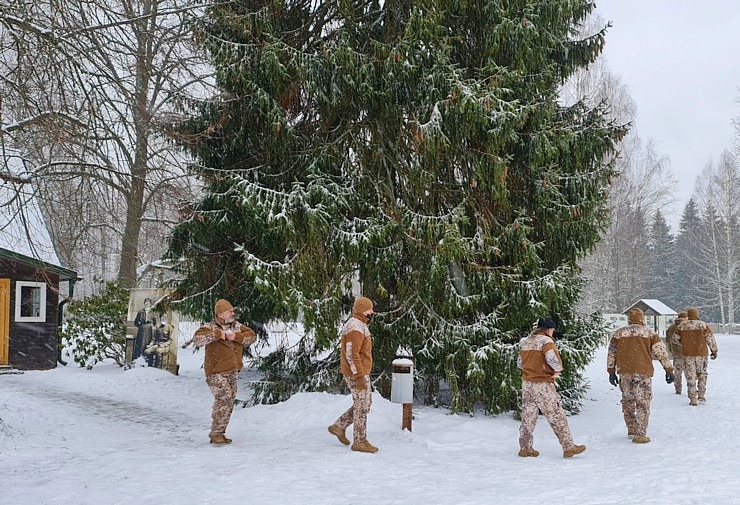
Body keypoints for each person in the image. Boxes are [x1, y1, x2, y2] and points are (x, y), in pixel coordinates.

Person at [517, 318, 586, 458]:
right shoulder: (546, 341)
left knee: (528, 417)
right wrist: (557, 370)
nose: (553, 332)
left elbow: (520, 363)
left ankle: (525, 448)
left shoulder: (526, 341)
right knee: (555, 414)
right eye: (553, 330)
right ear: (549, 329)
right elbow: (552, 359)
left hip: (527, 384)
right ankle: (568, 447)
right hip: (543, 384)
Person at [193, 299, 256, 445]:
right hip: (216, 371)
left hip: (233, 371)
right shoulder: (209, 327)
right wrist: (217, 335)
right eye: (230, 311)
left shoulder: (237, 327)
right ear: (220, 314)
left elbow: (252, 336)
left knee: (229, 401)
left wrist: (237, 337)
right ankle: (216, 433)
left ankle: (219, 432)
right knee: (224, 398)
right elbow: (197, 339)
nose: (233, 313)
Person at [607, 308, 674, 443]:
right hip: (643, 372)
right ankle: (640, 433)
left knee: (628, 400)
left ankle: (631, 427)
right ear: (642, 318)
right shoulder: (649, 333)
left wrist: (611, 371)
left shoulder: (619, 333)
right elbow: (661, 352)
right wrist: (668, 369)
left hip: (624, 371)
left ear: (629, 318)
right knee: (643, 402)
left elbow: (611, 353)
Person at [328, 296, 378, 453]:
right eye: (369, 311)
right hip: (357, 373)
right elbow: (351, 354)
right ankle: (360, 441)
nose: (371, 313)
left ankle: (339, 426)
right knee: (362, 406)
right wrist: (359, 376)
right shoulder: (355, 327)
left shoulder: (360, 324)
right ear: (361, 311)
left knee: (365, 404)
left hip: (361, 372)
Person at [674, 307, 718, 406]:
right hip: (701, 353)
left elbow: (675, 339)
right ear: (697, 315)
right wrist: (714, 351)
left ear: (688, 315)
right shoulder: (703, 325)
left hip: (687, 354)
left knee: (690, 375)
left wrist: (684, 343)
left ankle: (692, 398)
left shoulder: (682, 326)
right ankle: (701, 394)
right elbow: (710, 339)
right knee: (702, 374)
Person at [665, 311, 688, 395]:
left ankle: (678, 388)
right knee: (689, 372)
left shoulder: (671, 328)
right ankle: (691, 388)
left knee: (677, 373)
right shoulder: (689, 326)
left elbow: (668, 341)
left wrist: (672, 350)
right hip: (688, 353)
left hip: (677, 354)